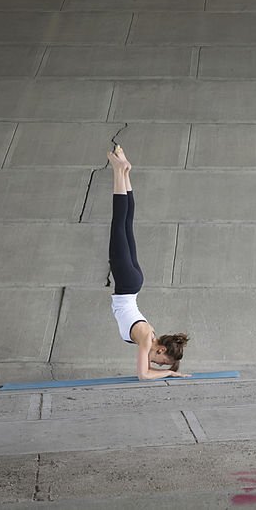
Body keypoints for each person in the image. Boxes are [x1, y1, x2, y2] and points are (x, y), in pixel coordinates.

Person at [105, 145, 191, 380]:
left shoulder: (149, 333)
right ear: (161, 349)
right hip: (126, 281)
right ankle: (118, 170)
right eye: (163, 362)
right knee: (119, 222)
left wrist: (169, 372)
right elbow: (143, 375)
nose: (159, 365)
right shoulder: (145, 337)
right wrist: (169, 376)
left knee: (126, 223)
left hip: (133, 282)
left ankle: (124, 172)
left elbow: (146, 370)